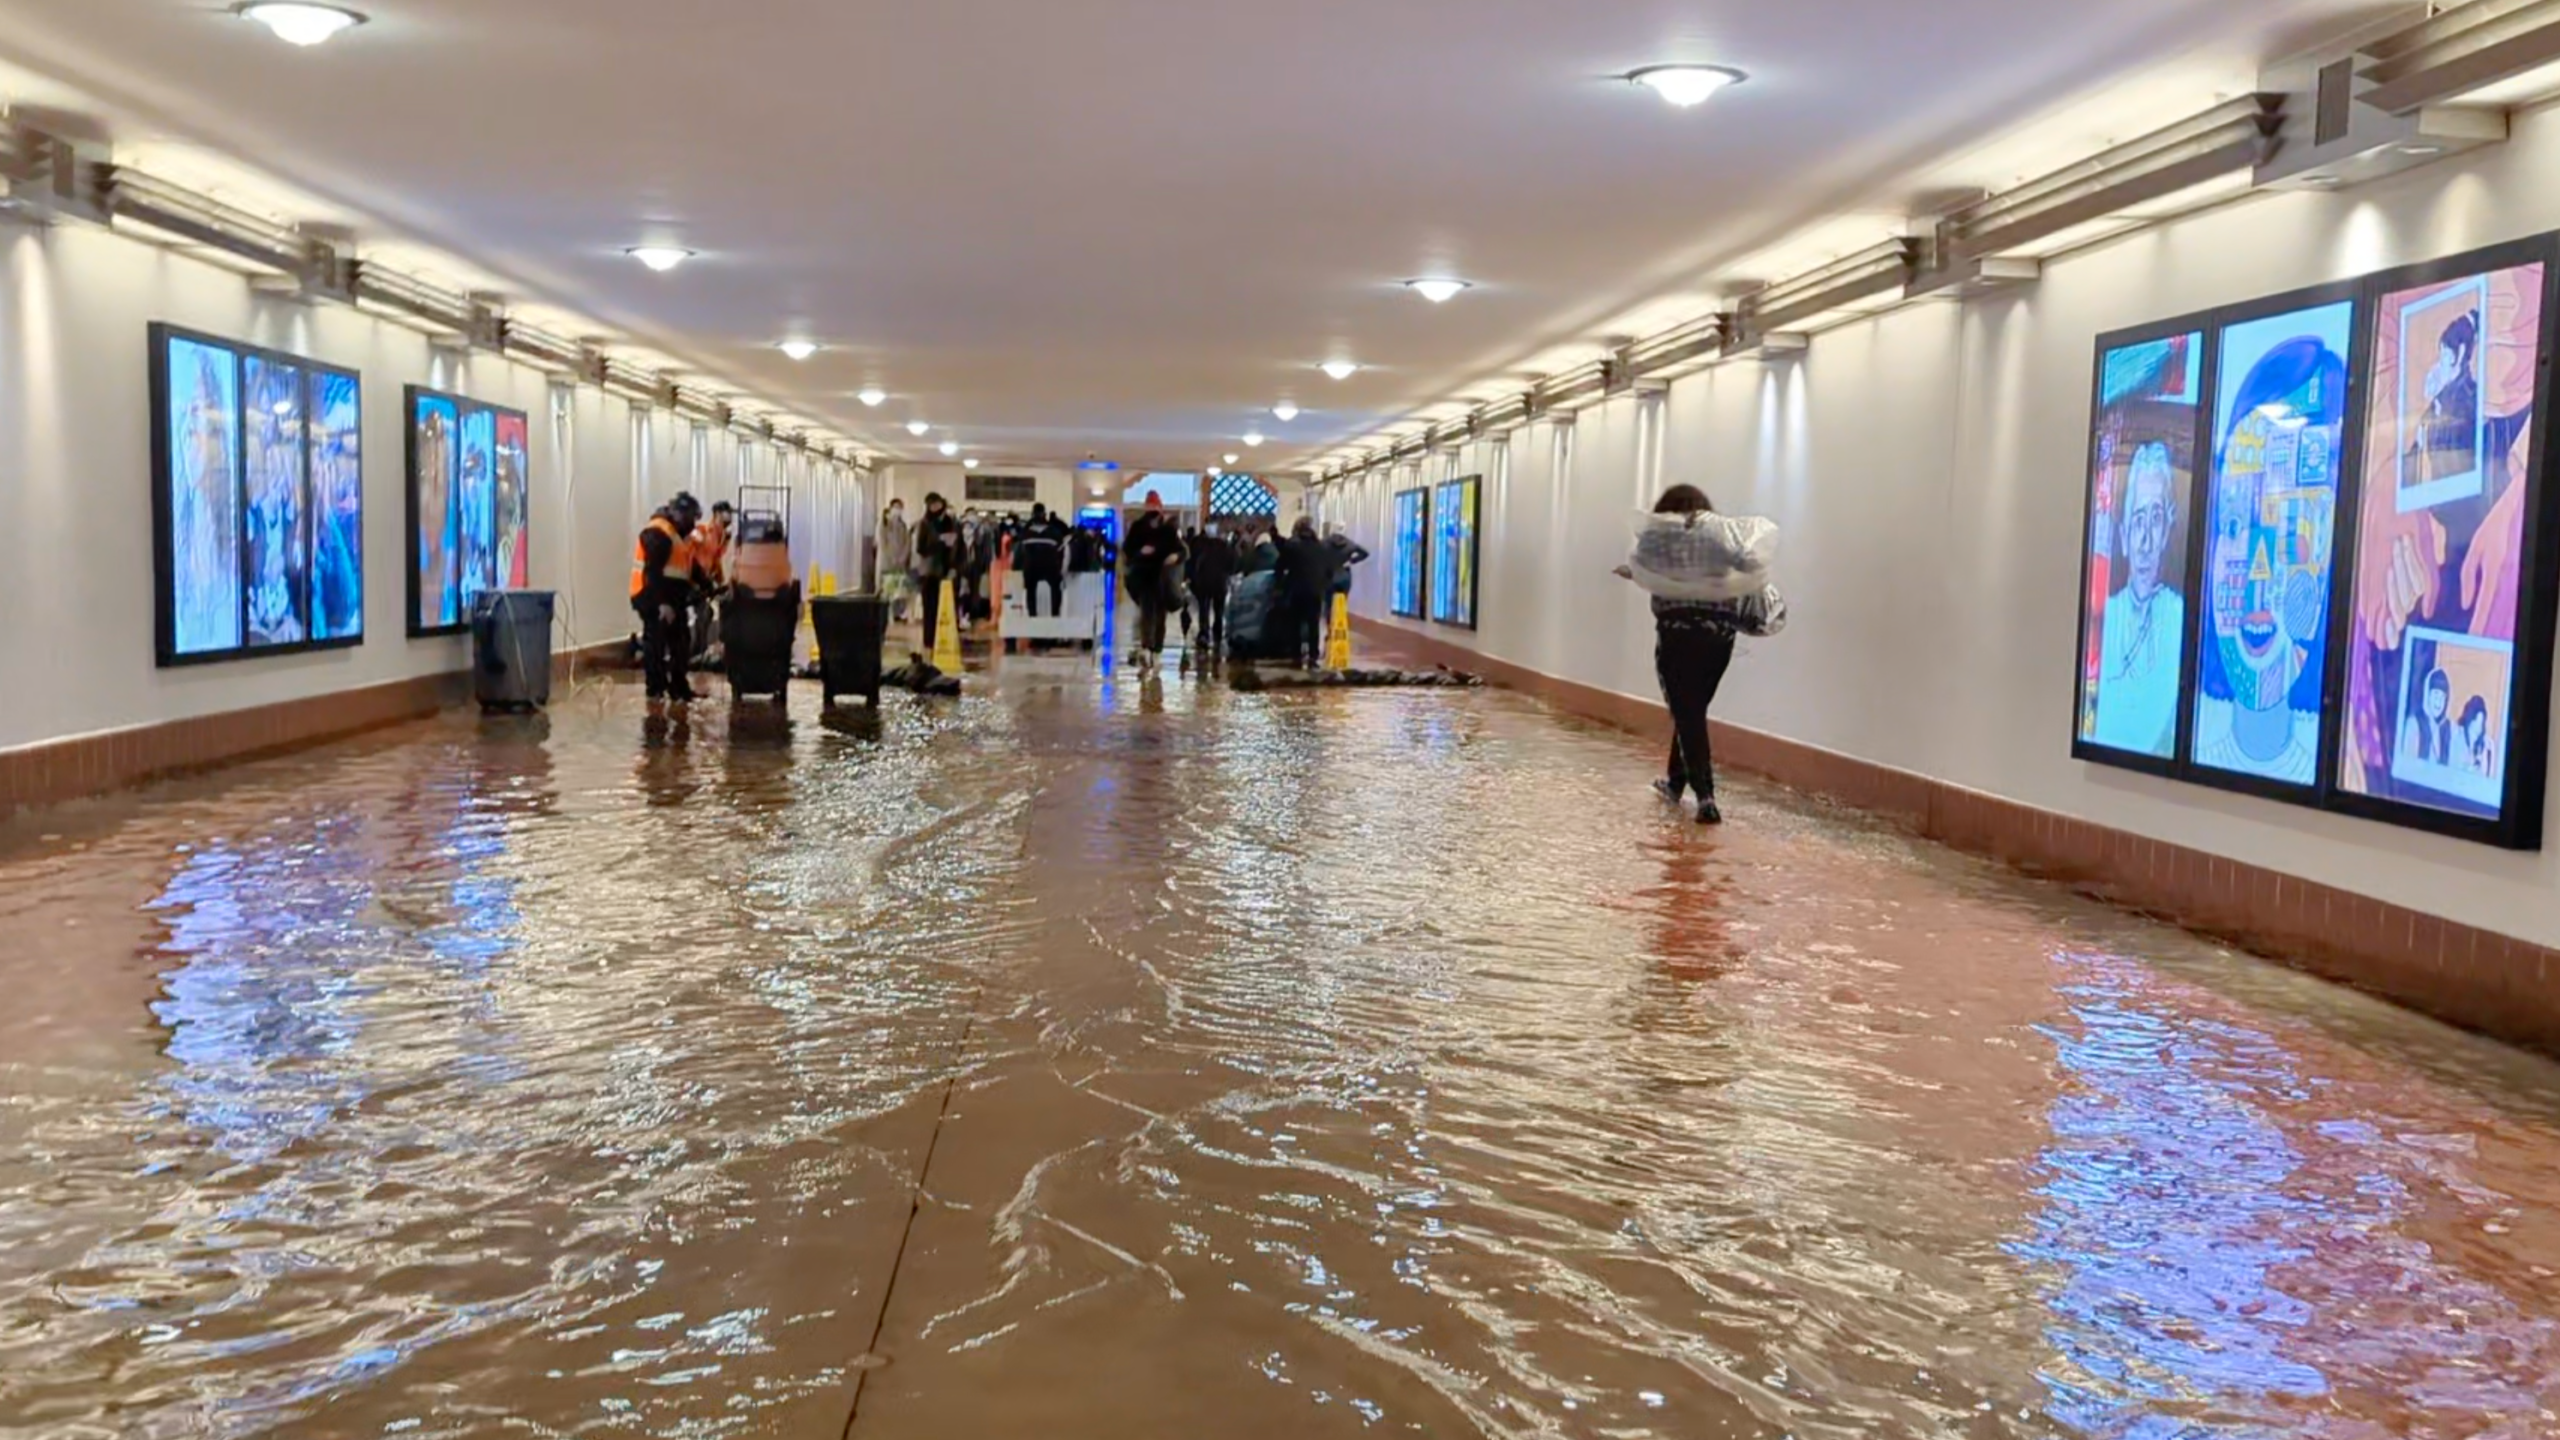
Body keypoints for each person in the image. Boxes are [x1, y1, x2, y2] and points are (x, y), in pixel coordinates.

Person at [1618, 485, 1787, 825]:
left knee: (1686, 711)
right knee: (1691, 710)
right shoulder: (1721, 533)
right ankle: (1675, 783)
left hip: (1676, 633)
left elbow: (1642, 564)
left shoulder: (1659, 535)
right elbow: (1750, 562)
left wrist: (1634, 573)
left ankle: (1706, 796)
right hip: (1718, 637)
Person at [2091, 442, 2184, 757]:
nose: (2145, 541)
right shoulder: (2107, 616)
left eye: (2156, 519)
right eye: (2138, 521)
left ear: (2168, 529)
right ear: (2123, 536)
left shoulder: (2180, 618)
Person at [631, 492, 705, 703]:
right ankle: (655, 690)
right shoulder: (658, 532)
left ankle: (679, 688)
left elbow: (689, 567)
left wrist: (707, 585)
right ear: (679, 514)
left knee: (681, 642)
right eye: (691, 518)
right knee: (655, 643)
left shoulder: (677, 535)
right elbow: (652, 572)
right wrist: (661, 604)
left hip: (672, 599)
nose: (693, 524)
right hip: (651, 597)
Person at [1123, 493, 1186, 668]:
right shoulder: (1141, 529)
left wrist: (1174, 556)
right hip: (1147, 579)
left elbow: (1182, 551)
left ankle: (1153, 649)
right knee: (1150, 614)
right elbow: (1128, 550)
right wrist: (1141, 553)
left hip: (1159, 580)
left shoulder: (1166, 531)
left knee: (1155, 616)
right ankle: (1150, 649)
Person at [1274, 518, 1332, 668]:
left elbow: (1279, 567)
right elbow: (1329, 571)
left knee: (1295, 624)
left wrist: (1279, 586)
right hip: (1315, 591)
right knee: (1313, 624)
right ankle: (1313, 656)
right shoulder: (1321, 547)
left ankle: (1296, 656)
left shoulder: (1292, 546)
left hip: (1297, 590)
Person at [912, 492, 963, 652]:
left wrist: (955, 567)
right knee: (930, 607)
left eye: (937, 503)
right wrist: (940, 542)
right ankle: (929, 641)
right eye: (931, 504)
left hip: (949, 569)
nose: (935, 507)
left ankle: (947, 638)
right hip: (930, 571)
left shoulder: (953, 523)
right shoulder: (925, 523)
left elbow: (959, 547)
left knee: (949, 607)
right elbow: (920, 548)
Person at [1188, 520, 1237, 651]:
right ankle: (1217, 632)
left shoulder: (1199, 545)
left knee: (1204, 609)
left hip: (1204, 581)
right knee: (1218, 609)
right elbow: (1232, 562)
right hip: (1219, 582)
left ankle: (1204, 633)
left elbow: (1192, 562)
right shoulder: (1224, 545)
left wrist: (1192, 578)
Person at [1016, 503, 1070, 617]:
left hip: (1030, 567)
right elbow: (1061, 551)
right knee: (1055, 588)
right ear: (1044, 514)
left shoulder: (1026, 533)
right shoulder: (1054, 532)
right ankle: (1055, 614)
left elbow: (1020, 553)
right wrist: (1060, 570)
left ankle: (1032, 615)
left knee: (1030, 590)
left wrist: (1018, 567)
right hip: (1050, 566)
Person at [2403, 667, 2454, 766]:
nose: (2438, 702)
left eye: (2442, 697)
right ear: (2427, 695)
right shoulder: (2414, 724)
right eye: (2435, 694)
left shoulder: (2448, 729)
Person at [879, 499, 914, 620]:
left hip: (901, 564)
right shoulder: (884, 525)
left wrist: (903, 557)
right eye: (895, 507)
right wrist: (891, 558)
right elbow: (883, 544)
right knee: (888, 590)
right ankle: (887, 614)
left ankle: (899, 613)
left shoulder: (903, 526)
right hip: (887, 563)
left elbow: (907, 543)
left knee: (900, 589)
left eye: (900, 508)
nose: (897, 510)